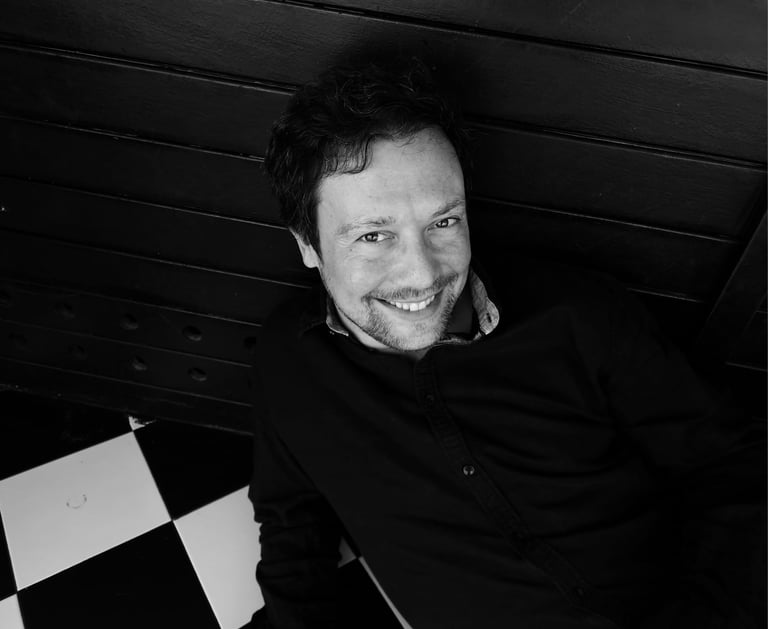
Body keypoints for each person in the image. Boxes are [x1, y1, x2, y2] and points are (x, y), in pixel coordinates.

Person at [247, 57, 765, 628]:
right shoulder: (290, 358)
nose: (421, 273)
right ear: (308, 244)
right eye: (374, 235)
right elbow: (291, 523)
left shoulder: (577, 316)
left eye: (444, 222)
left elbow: (737, 469)